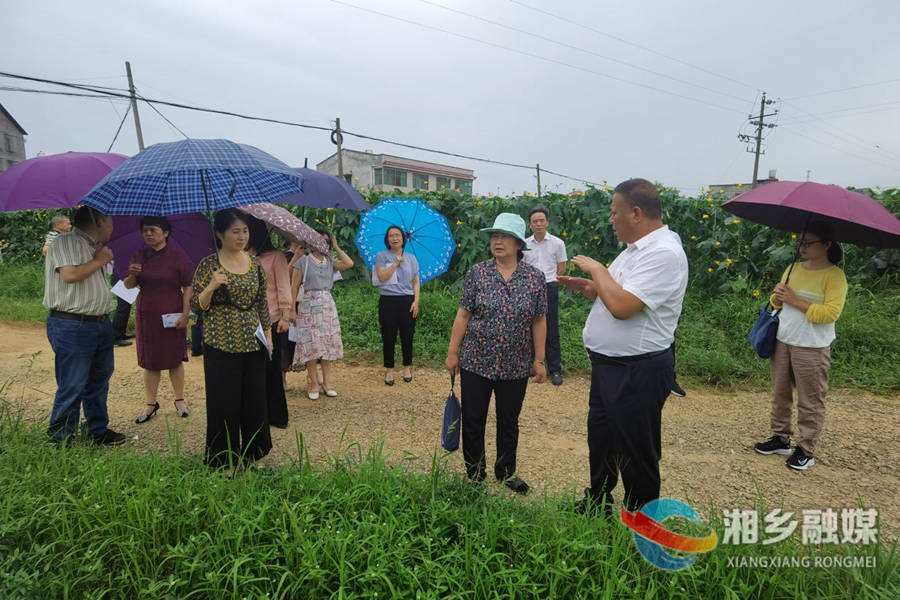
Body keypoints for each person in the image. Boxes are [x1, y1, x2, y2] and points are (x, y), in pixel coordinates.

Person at [558, 178, 688, 514]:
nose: (611, 219)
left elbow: (622, 307)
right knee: (602, 438)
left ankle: (642, 522)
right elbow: (614, 293)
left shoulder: (664, 254)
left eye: (615, 213)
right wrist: (590, 286)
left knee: (636, 450)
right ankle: (598, 500)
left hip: (638, 368)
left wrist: (597, 269)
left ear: (636, 212)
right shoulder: (634, 251)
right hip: (610, 365)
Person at [445, 213, 547, 494]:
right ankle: (475, 473)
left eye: (504, 236)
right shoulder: (477, 273)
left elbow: (539, 320)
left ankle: (505, 471)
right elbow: (463, 314)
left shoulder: (535, 278)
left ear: (517, 243)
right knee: (474, 419)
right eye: (494, 236)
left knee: (508, 420)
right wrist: (453, 353)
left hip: (516, 364)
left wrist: (539, 360)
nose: (497, 241)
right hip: (476, 360)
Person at [754, 221, 847, 471]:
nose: (802, 247)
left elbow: (830, 314)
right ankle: (780, 437)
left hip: (812, 346)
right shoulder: (792, 268)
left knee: (810, 400)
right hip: (783, 340)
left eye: (808, 243)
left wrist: (795, 300)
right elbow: (776, 303)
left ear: (827, 244)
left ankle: (806, 449)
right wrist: (777, 296)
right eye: (800, 242)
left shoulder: (834, 276)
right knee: (780, 393)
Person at [191, 209, 272, 471]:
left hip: (252, 342)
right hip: (220, 343)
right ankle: (222, 459)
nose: (241, 236)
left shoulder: (255, 263)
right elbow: (196, 305)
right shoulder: (208, 265)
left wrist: (268, 336)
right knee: (223, 404)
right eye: (235, 232)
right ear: (220, 233)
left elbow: (261, 302)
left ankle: (252, 454)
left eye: (245, 231)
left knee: (254, 401)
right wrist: (212, 286)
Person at [42, 205, 126, 446]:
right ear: (99, 221)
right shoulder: (66, 242)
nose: (113, 226)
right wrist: (99, 260)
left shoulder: (91, 246)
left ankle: (97, 430)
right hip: (73, 325)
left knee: (99, 381)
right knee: (73, 383)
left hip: (98, 324)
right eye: (110, 221)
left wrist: (99, 256)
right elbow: (70, 275)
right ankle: (60, 438)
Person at [123, 216, 193, 424]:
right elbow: (128, 286)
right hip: (147, 315)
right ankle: (150, 403)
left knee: (175, 358)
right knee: (150, 361)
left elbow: (188, 286)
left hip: (172, 314)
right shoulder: (138, 255)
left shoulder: (179, 257)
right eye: (145, 230)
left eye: (153, 230)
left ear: (166, 233)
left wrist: (185, 313)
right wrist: (132, 275)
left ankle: (179, 400)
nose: (148, 234)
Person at [290, 231, 354, 399]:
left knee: (327, 343)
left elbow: (349, 263)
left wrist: (336, 246)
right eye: (319, 241)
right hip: (308, 304)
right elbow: (294, 287)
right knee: (310, 343)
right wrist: (291, 309)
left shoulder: (330, 262)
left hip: (327, 305)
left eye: (325, 241)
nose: (322, 244)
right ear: (311, 242)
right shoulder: (302, 262)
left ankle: (327, 382)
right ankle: (313, 382)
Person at [247, 216, 293, 429]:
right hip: (245, 321)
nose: (241, 236)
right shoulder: (239, 257)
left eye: (245, 231)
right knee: (251, 371)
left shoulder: (275, 257)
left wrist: (285, 316)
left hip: (272, 319)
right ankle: (256, 414)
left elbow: (284, 287)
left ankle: (277, 415)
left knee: (271, 370)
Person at [523, 207, 567, 386]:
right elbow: (522, 267)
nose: (539, 224)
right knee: (528, 325)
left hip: (549, 286)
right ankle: (532, 366)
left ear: (547, 222)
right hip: (530, 288)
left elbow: (561, 267)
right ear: (531, 224)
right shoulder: (525, 244)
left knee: (551, 328)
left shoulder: (557, 243)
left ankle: (555, 369)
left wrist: (554, 282)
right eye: (535, 221)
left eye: (542, 220)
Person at [373, 225, 421, 385]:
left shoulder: (412, 258)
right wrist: (394, 264)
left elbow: (415, 281)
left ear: (403, 238)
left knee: (408, 335)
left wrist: (416, 301)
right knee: (388, 336)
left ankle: (407, 367)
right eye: (391, 236)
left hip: (407, 300)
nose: (394, 238)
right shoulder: (381, 256)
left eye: (397, 235)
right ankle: (389, 370)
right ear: (387, 239)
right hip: (388, 300)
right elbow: (381, 278)